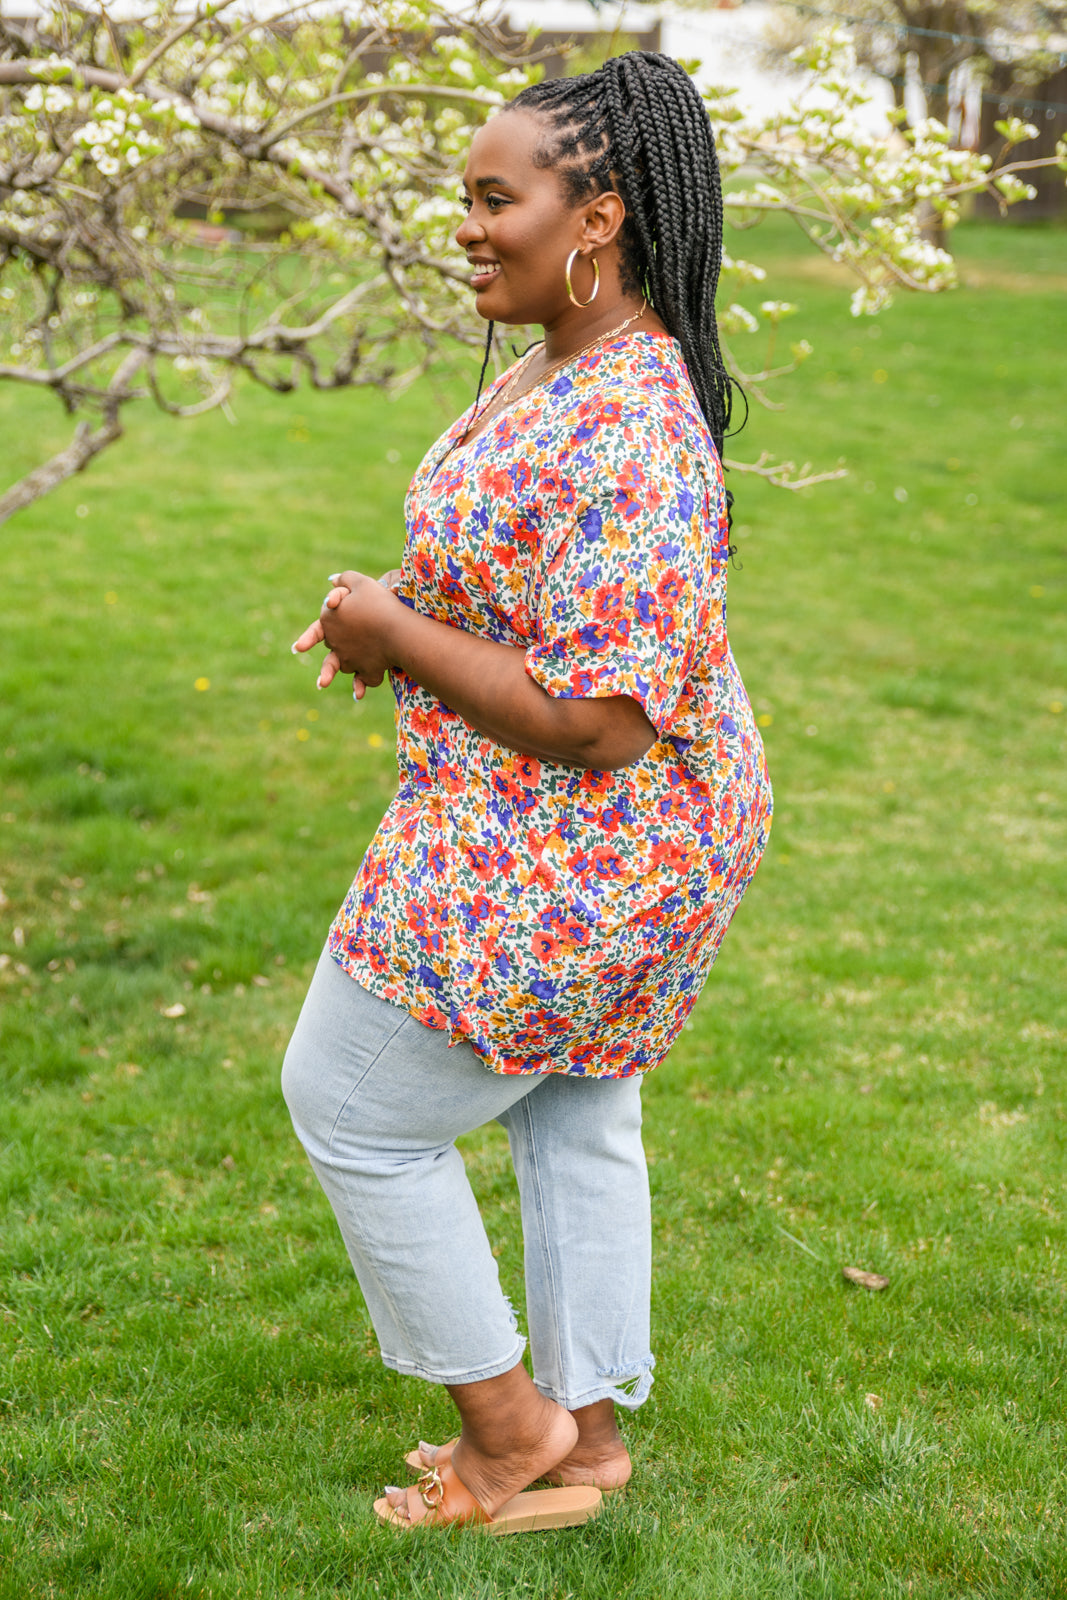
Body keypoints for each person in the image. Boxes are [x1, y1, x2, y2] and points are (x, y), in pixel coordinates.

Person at [283, 51, 772, 1534]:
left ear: (601, 218)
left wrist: (397, 636)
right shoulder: (567, 361)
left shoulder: (635, 422)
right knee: (572, 1116)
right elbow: (526, 597)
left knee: (351, 1104)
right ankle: (591, 1439)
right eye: (467, 198)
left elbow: (601, 720)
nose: (469, 227)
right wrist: (400, 628)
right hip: (559, 823)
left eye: (499, 200)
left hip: (594, 841)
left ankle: (507, 1431)